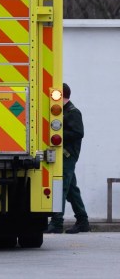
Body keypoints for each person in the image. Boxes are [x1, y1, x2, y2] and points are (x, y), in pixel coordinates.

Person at [47, 83, 90, 234]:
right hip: (64, 155)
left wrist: (56, 136)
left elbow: (78, 133)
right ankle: (83, 221)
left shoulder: (73, 112)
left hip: (67, 156)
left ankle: (57, 223)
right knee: (72, 190)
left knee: (61, 187)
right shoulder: (63, 111)